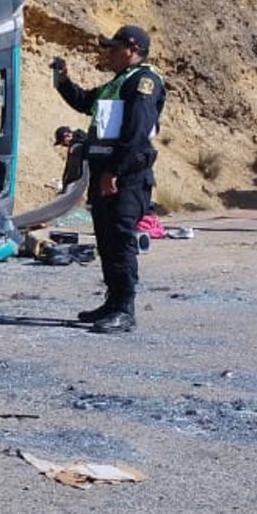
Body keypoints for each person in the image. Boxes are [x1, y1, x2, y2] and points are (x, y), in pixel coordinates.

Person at [52, 26, 166, 334]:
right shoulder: (117, 83)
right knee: (106, 239)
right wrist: (63, 81)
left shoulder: (144, 82)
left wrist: (115, 171)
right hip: (106, 174)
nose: (109, 54)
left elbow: (136, 132)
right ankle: (112, 301)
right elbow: (85, 101)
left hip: (124, 178)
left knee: (119, 240)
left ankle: (124, 310)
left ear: (132, 49)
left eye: (114, 49)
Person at [53, 125, 88, 193]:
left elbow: (73, 171)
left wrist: (65, 190)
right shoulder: (83, 139)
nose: (63, 145)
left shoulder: (76, 146)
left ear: (67, 136)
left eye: (62, 142)